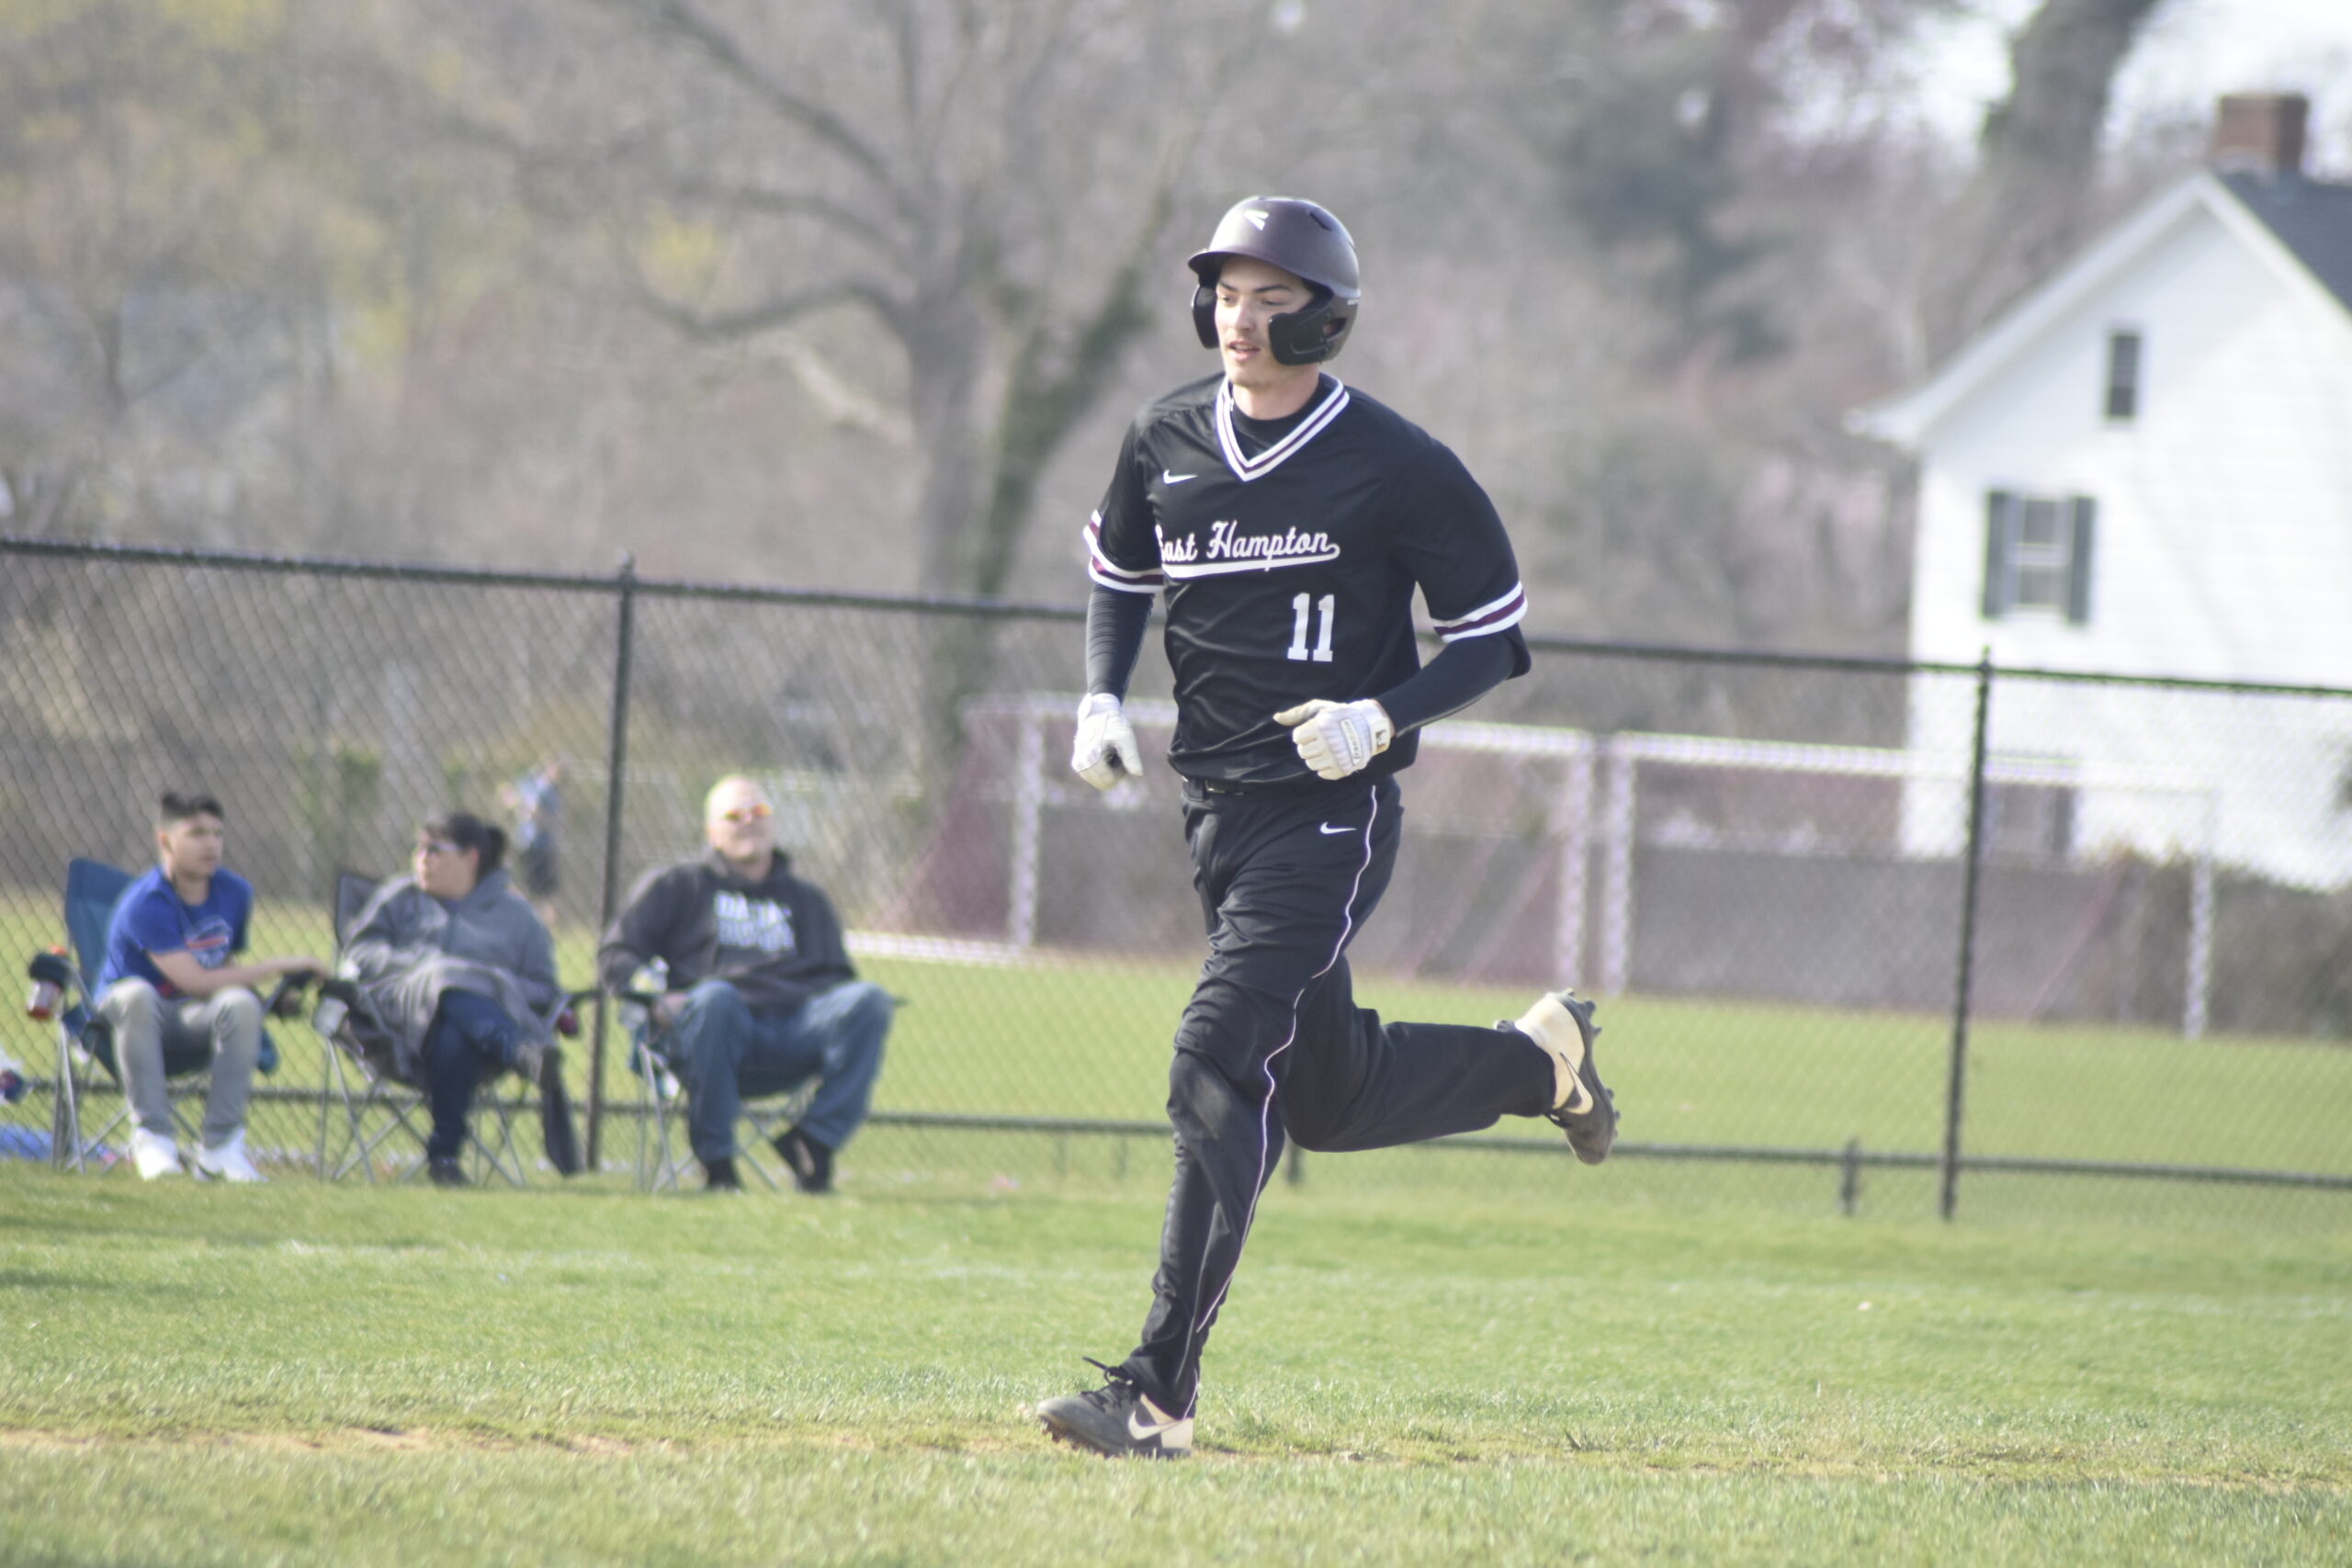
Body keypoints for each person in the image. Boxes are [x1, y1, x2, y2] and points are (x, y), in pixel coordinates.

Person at [1035, 197, 1619, 1459]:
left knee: (1213, 1056)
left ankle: (1155, 1393)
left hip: (1331, 815)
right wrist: (1097, 689)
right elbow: (1121, 572)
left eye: (1270, 295)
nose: (1242, 317)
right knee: (1333, 1096)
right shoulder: (1164, 434)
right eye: (1228, 293)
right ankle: (1541, 1063)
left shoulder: (1395, 461)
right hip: (1216, 814)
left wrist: (1382, 714)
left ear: (1327, 315)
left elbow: (1492, 637)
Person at [597, 774, 891, 1194]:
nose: (748, 823)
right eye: (734, 816)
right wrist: (657, 999)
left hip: (788, 1034)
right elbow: (616, 954)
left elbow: (836, 981)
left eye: (758, 813)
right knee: (718, 999)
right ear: (712, 832)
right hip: (705, 1035)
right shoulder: (678, 886)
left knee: (870, 1001)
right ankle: (717, 1164)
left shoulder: (807, 899)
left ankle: (814, 1144)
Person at [94, 791, 323, 1182]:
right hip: (124, 1025)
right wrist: (279, 965)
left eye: (217, 833)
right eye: (197, 833)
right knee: (138, 995)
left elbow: (222, 968)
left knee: (239, 1004)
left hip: (190, 1020)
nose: (211, 844)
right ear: (164, 840)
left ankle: (220, 1149)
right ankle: (153, 1140)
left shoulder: (234, 893)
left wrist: (264, 997)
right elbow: (195, 980)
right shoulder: (147, 902)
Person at [341, 811, 578, 1187]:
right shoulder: (398, 898)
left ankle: (445, 1157)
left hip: (475, 1048)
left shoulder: (517, 916)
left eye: (434, 850)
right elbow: (359, 954)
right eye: (417, 849)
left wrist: (489, 984)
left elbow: (544, 989)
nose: (421, 859)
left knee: (454, 1031)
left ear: (470, 857)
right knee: (444, 974)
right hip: (395, 1031)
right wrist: (428, 969)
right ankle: (522, 1052)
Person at [500, 760, 563, 929]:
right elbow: (530, 809)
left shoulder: (541, 787)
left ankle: (542, 924)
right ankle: (535, 923)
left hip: (538, 844)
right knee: (538, 889)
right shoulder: (539, 786)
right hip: (534, 845)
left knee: (542, 889)